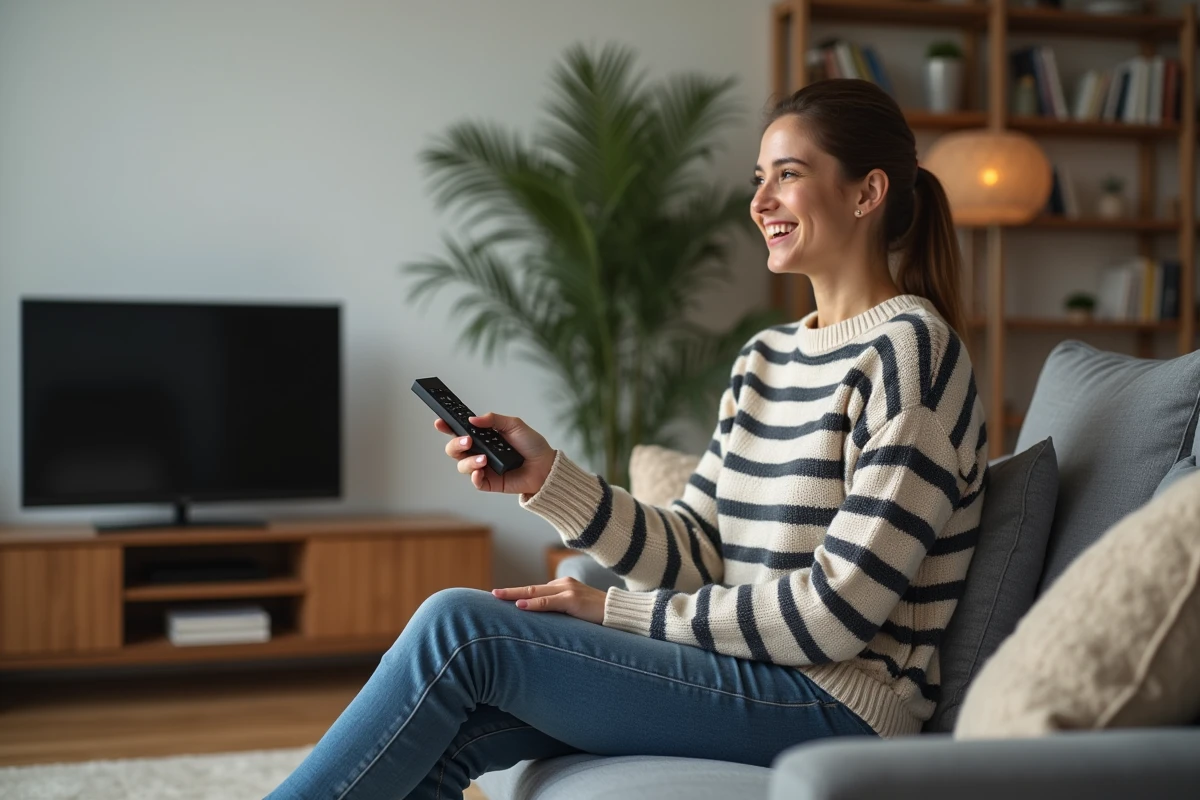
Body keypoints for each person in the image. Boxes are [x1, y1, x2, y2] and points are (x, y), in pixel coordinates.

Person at [266, 78, 989, 800]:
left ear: (867, 193)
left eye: (788, 175)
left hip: (839, 705)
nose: (760, 201)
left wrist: (610, 609)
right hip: (752, 673)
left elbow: (835, 617)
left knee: (463, 628)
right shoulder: (764, 359)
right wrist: (548, 480)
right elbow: (697, 552)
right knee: (454, 724)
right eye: (758, 179)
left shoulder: (912, 356)